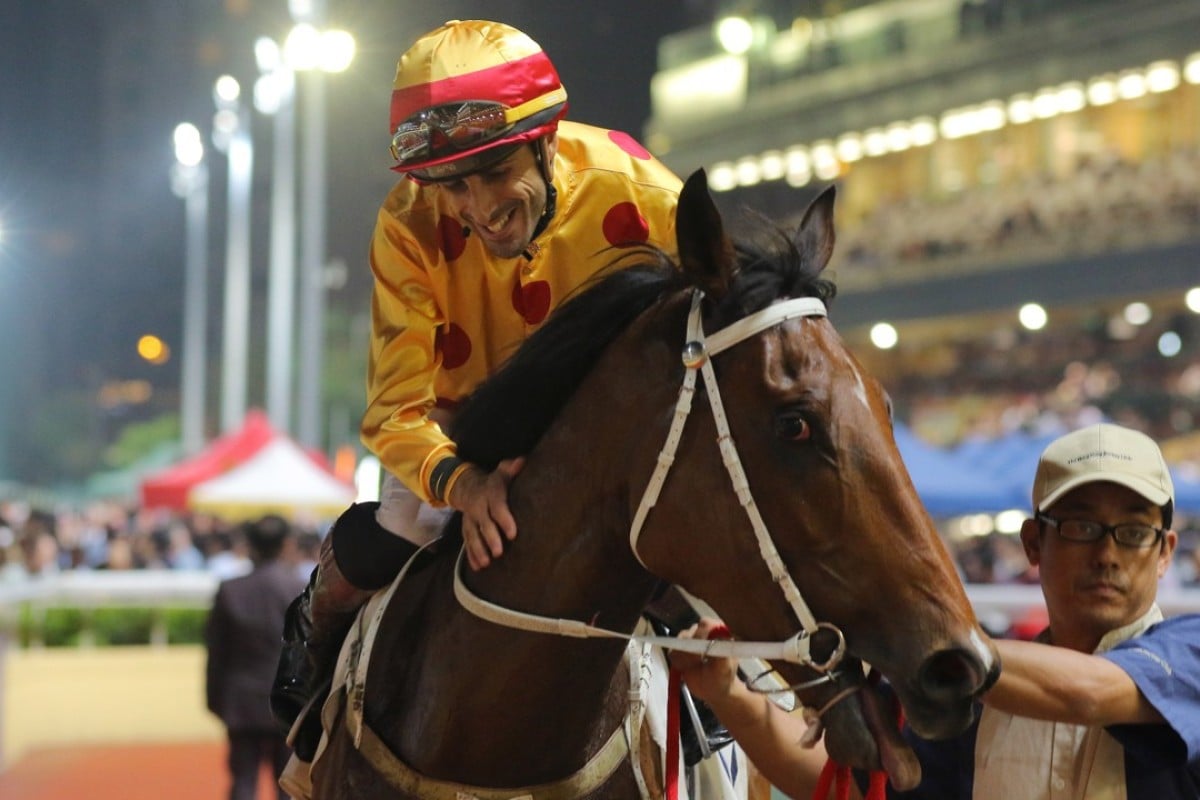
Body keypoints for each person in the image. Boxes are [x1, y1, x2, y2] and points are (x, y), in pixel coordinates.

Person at [271, 18, 682, 756]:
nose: (476, 205)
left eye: (496, 172)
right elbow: (393, 413)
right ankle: (317, 681)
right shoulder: (405, 224)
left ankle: (727, 728)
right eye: (451, 184)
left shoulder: (641, 189)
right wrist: (462, 487)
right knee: (396, 533)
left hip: (602, 434)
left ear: (547, 141)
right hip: (463, 436)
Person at [673, 423, 1200, 798]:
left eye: (1133, 534)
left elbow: (1088, 692)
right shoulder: (976, 695)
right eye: (1082, 528)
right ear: (1034, 544)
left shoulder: (1189, 652)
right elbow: (840, 782)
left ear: (1164, 553)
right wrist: (729, 695)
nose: (1108, 555)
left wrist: (905, 628)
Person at [207, 515, 308, 800]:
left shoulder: (231, 590)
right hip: (288, 704)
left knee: (243, 782)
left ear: (249, 544)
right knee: (288, 786)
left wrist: (216, 700)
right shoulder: (298, 588)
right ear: (286, 544)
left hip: (240, 701)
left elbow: (216, 653)